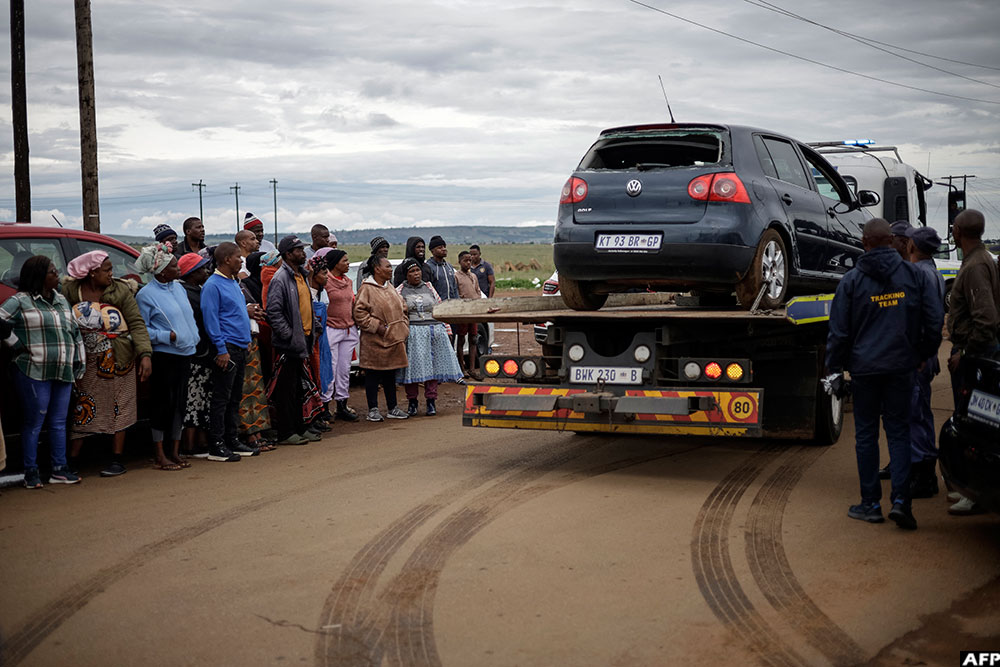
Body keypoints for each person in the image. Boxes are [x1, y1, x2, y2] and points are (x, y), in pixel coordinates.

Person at [826, 219, 943, 530]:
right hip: (902, 367)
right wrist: (923, 354)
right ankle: (902, 503)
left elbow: (838, 332)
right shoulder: (914, 275)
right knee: (899, 432)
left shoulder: (850, 282)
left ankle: (871, 504)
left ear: (864, 243)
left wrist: (834, 369)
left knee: (866, 435)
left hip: (865, 370)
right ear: (891, 241)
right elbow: (934, 319)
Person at [63, 251, 152, 477]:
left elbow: (136, 323)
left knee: (119, 405)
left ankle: (117, 459)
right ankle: (72, 460)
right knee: (84, 405)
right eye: (106, 270)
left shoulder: (120, 290)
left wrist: (145, 354)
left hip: (119, 360)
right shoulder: (71, 291)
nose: (111, 274)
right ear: (92, 273)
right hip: (86, 362)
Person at [1, 256, 86, 487]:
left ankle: (59, 469)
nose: (57, 274)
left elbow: (74, 332)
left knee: (59, 422)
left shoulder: (60, 300)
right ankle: (31, 472)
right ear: (38, 276)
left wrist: (79, 361)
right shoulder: (20, 301)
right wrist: (16, 344)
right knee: (34, 422)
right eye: (51, 271)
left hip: (63, 369)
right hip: (32, 369)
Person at [944, 209, 1000, 516]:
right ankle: (973, 490)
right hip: (976, 351)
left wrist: (964, 354)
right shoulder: (980, 258)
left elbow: (986, 319)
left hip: (975, 354)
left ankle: (975, 492)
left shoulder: (976, 266)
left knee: (972, 425)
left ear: (957, 232)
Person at [135, 244, 200, 471]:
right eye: (173, 265)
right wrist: (167, 335)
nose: (178, 267)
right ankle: (160, 454)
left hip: (185, 354)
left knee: (179, 405)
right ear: (162, 271)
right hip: (165, 356)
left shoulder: (178, 288)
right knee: (162, 405)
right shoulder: (146, 295)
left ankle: (175, 450)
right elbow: (141, 329)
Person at [200, 242, 258, 462]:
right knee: (221, 398)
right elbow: (211, 320)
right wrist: (221, 349)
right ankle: (216, 444)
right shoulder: (212, 286)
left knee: (235, 397)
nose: (241, 260)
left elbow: (236, 314)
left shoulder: (233, 282)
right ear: (226, 259)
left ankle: (232, 439)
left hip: (240, 346)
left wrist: (246, 341)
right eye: (237, 257)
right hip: (227, 349)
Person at [902, 226, 947, 498]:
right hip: (926, 354)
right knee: (922, 412)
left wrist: (920, 353)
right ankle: (925, 470)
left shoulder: (917, 273)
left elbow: (925, 319)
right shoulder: (935, 271)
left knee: (914, 413)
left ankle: (922, 476)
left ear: (912, 246)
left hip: (917, 356)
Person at [266, 235, 324, 444]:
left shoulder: (301, 276)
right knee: (286, 390)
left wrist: (315, 328)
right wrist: (289, 336)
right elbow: (273, 312)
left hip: (304, 341)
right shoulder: (280, 278)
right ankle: (286, 432)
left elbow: (305, 306)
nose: (302, 252)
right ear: (288, 254)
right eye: (298, 250)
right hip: (289, 345)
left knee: (300, 388)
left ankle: (301, 427)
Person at [396, 258, 463, 416]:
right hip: (413, 334)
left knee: (433, 368)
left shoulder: (429, 287)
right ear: (406, 275)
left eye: (417, 270)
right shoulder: (399, 290)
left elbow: (438, 308)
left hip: (434, 331)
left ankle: (431, 402)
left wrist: (447, 330)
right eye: (412, 271)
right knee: (411, 369)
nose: (416, 274)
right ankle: (412, 402)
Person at [354, 255, 409, 421]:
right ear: (377, 269)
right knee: (372, 375)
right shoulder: (367, 289)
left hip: (393, 340)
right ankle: (373, 410)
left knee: (390, 376)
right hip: (374, 342)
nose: (390, 270)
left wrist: (403, 326)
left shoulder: (390, 287)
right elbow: (359, 312)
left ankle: (393, 408)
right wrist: (378, 327)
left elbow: (403, 308)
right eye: (387, 267)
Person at [237, 251, 276, 452]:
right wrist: (247, 311)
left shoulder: (238, 284)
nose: (240, 262)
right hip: (234, 344)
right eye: (236, 258)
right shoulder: (216, 285)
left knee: (254, 390)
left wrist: (253, 311)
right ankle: (249, 436)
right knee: (243, 393)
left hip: (250, 342)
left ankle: (258, 432)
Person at [178, 252, 215, 458]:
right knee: (192, 401)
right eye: (201, 269)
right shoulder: (186, 293)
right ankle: (189, 446)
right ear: (192, 273)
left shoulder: (197, 290)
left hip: (204, 353)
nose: (206, 271)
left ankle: (202, 443)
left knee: (203, 399)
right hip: (194, 354)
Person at [322, 248, 360, 421]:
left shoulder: (347, 281)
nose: (347, 263)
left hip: (348, 329)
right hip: (331, 328)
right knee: (330, 368)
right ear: (335, 263)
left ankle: (342, 405)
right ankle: (324, 406)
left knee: (344, 370)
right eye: (344, 261)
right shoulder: (325, 280)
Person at [307, 253, 335, 429]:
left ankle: (322, 411)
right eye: (324, 273)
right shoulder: (307, 293)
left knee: (324, 373)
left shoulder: (322, 294)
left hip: (322, 339)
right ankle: (313, 417)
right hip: (311, 341)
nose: (327, 277)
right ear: (314, 274)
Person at [454, 250, 482, 376]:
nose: (468, 263)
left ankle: (472, 368)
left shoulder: (474, 276)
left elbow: (478, 292)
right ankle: (461, 368)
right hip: (463, 313)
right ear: (459, 262)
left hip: (473, 312)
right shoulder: (456, 276)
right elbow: (456, 294)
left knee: (474, 339)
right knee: (461, 340)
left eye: (470, 260)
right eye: (465, 260)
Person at [426, 235, 458, 300]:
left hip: (452, 305)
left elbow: (454, 287)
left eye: (444, 247)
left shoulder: (449, 266)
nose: (444, 249)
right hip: (437, 306)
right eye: (440, 248)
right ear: (432, 251)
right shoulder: (428, 267)